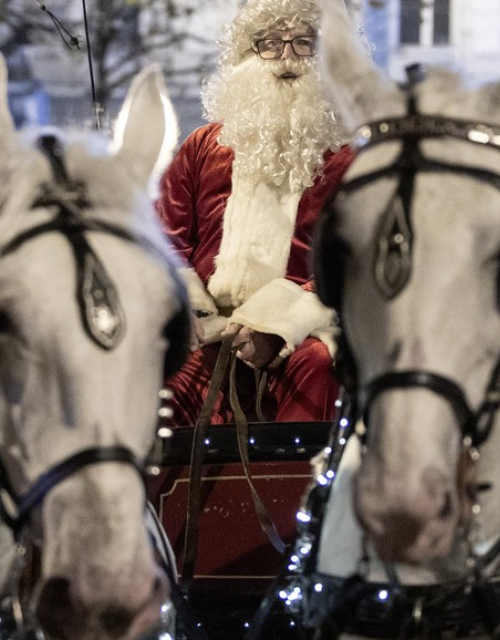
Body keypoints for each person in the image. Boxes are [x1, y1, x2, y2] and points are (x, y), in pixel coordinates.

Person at [157, 0, 352, 425]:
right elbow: (162, 238)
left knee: (320, 368)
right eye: (270, 44)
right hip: (208, 332)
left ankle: (304, 492)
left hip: (301, 333)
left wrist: (274, 326)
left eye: (304, 43)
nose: (286, 58)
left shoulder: (350, 160)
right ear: (247, 53)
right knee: (157, 385)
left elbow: (352, 260)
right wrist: (180, 304)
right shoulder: (202, 147)